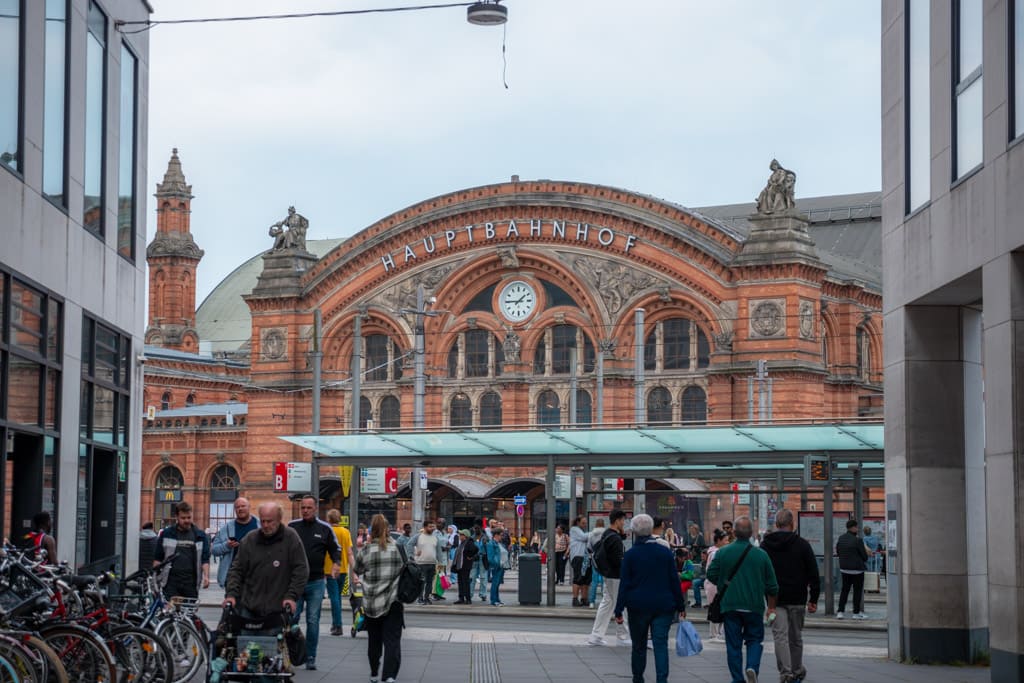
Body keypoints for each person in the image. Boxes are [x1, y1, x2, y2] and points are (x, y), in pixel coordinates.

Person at [614, 514, 687, 683]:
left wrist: (618, 609)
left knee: (638, 646)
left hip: (637, 606)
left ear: (634, 532)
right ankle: (662, 679)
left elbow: (624, 584)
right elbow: (673, 580)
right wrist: (681, 605)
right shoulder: (665, 552)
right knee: (660, 645)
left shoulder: (631, 555)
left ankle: (638, 678)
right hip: (663, 605)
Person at [706, 516, 779, 683]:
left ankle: (737, 679)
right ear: (751, 533)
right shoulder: (761, 555)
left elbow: (711, 574)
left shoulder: (723, 552)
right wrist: (771, 608)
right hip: (754, 606)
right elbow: (772, 586)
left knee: (733, 645)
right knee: (754, 639)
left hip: (730, 606)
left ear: (734, 533)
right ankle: (752, 666)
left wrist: (725, 583)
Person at [223, 501, 309, 635]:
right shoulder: (250, 539)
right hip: (250, 608)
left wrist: (291, 596)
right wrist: (231, 594)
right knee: (245, 650)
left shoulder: (290, 538)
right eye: (263, 521)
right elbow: (237, 569)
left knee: (272, 651)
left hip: (277, 610)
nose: (265, 525)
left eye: (270, 521)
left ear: (279, 519)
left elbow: (301, 570)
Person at [761, 508, 820, 683]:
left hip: (774, 600)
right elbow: (813, 573)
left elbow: (761, 573)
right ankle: (796, 670)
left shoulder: (765, 546)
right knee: (795, 637)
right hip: (798, 599)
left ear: (776, 525)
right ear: (792, 524)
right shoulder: (802, 544)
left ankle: (785, 673)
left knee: (780, 637)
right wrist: (813, 599)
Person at [288, 495, 342, 670]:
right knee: (290, 619)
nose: (305, 510)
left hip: (316, 582)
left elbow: (336, 549)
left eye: (308, 508)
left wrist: (336, 564)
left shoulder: (325, 528)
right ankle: (292, 651)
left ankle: (311, 656)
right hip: (295, 582)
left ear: (316, 508)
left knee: (313, 620)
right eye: (303, 507)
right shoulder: (292, 527)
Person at [353, 514, 405, 683]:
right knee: (392, 642)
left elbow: (357, 569)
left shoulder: (366, 550)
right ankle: (389, 676)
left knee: (374, 642)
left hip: (371, 604)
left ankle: (374, 673)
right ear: (387, 529)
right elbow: (405, 568)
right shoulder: (397, 548)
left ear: (371, 530)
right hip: (393, 602)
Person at [587, 510, 631, 646]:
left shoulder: (607, 534)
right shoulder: (615, 538)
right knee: (620, 604)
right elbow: (618, 560)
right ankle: (622, 636)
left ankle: (596, 635)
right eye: (623, 520)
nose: (624, 523)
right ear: (617, 520)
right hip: (617, 576)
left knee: (607, 603)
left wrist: (622, 533)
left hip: (608, 574)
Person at [153, 501, 210, 599]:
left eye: (189, 517)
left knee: (188, 612)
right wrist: (155, 580)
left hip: (191, 582)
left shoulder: (200, 535)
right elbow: (158, 558)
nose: (187, 520)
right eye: (183, 518)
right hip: (170, 581)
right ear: (177, 517)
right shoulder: (166, 534)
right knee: (170, 612)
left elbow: (205, 559)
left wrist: (206, 576)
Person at [211, 497, 259, 588]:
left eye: (243, 506)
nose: (240, 509)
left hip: (256, 576)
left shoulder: (259, 525)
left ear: (249, 507)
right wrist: (226, 546)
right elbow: (214, 550)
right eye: (237, 507)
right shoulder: (227, 527)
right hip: (233, 577)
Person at [324, 509, 356, 636]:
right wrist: (354, 571)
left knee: (334, 599)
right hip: (343, 569)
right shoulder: (345, 532)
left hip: (330, 569)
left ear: (328, 519)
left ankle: (337, 625)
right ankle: (336, 623)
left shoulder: (327, 531)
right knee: (337, 598)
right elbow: (349, 553)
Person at [835, 519, 868, 620]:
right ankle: (856, 613)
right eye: (857, 527)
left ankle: (840, 612)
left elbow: (838, 551)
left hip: (844, 569)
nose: (858, 529)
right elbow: (864, 556)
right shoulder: (858, 540)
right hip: (857, 570)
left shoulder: (841, 538)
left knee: (844, 590)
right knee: (857, 592)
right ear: (853, 527)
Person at [704, 529, 729, 642]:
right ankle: (714, 634)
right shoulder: (715, 553)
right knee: (715, 608)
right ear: (718, 541)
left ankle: (717, 633)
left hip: (713, 584)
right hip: (714, 585)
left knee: (717, 608)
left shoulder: (715, 551)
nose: (727, 542)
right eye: (725, 540)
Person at [411, 520, 438, 605]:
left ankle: (427, 598)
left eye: (433, 526)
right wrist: (413, 554)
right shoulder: (418, 536)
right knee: (422, 582)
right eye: (430, 526)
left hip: (432, 563)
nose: (432, 528)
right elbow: (409, 544)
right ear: (425, 527)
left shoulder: (435, 537)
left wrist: (440, 561)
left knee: (430, 583)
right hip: (421, 563)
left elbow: (438, 550)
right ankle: (420, 598)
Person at [569, 516, 592, 606]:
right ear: (578, 522)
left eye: (586, 523)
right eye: (583, 523)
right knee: (578, 578)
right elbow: (583, 537)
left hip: (585, 557)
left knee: (586, 579)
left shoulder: (584, 531)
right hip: (578, 556)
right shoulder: (574, 529)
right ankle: (575, 599)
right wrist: (595, 532)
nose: (585, 525)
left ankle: (584, 598)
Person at [452, 529, 479, 604]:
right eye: (460, 535)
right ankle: (461, 598)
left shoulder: (469, 542)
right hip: (460, 566)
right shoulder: (462, 543)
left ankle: (468, 599)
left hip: (465, 566)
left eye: (461, 535)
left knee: (465, 582)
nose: (460, 536)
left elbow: (476, 549)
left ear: (465, 536)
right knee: (460, 582)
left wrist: (470, 556)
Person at [587, 519, 607, 608]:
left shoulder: (591, 534)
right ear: (603, 524)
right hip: (605, 559)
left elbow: (589, 547)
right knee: (604, 581)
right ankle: (604, 600)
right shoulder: (607, 534)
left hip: (595, 558)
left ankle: (591, 602)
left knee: (594, 581)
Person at [486, 529, 508, 606]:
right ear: (496, 535)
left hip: (501, 566)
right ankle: (493, 600)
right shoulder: (491, 544)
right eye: (501, 535)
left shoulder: (500, 544)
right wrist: (496, 564)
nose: (502, 537)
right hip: (496, 566)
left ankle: (497, 599)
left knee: (497, 583)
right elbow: (490, 557)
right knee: (495, 583)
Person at [471, 528, 490, 601]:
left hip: (483, 557)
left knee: (483, 577)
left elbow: (489, 548)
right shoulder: (472, 537)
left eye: (477, 527)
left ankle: (483, 594)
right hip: (474, 558)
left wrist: (486, 543)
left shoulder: (485, 537)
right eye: (475, 528)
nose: (476, 529)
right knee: (472, 577)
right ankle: (470, 594)